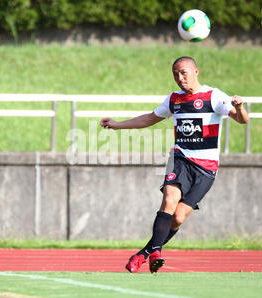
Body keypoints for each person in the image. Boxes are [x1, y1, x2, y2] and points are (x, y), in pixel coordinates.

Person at [100, 56, 249, 273]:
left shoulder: (213, 96)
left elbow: (242, 120)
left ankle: (144, 254)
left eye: (184, 73)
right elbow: (150, 118)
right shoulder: (174, 100)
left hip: (206, 168)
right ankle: (157, 253)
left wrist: (240, 107)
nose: (180, 78)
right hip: (180, 159)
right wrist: (117, 125)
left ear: (196, 71)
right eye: (176, 74)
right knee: (169, 199)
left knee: (178, 217)